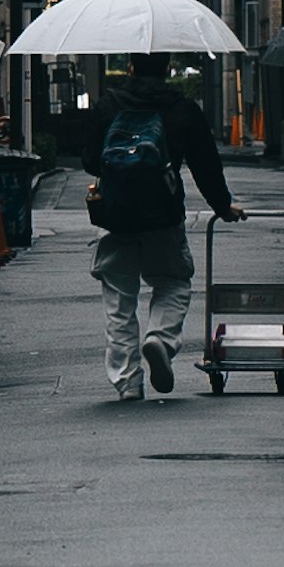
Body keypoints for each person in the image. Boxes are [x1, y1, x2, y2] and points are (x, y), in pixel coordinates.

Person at [82, 57, 234, 400]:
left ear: (131, 68)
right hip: (163, 216)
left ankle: (127, 382)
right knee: (173, 283)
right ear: (166, 71)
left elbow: (90, 160)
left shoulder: (107, 106)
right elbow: (205, 163)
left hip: (114, 216)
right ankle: (160, 339)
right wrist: (223, 206)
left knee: (119, 300)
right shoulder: (181, 109)